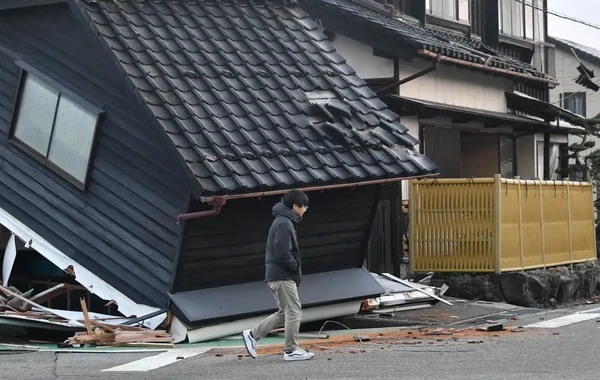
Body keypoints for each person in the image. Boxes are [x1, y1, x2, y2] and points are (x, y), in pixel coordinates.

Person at [242, 189, 314, 362]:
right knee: (294, 312)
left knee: (285, 312)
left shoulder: (283, 221)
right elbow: (282, 252)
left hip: (276, 275)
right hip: (282, 275)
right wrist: (295, 266)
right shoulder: (284, 223)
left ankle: (252, 335)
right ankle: (291, 350)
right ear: (295, 206)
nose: (305, 210)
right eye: (304, 207)